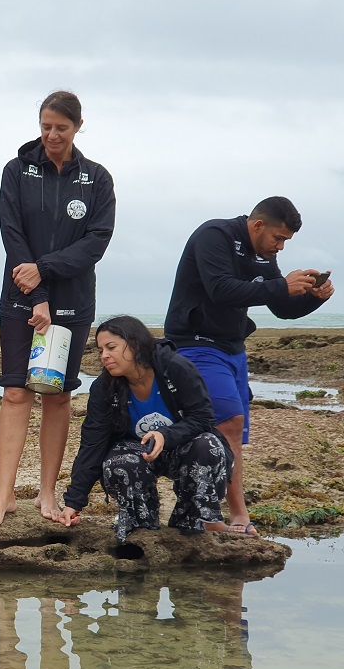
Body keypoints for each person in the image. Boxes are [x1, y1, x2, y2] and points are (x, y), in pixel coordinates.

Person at [0, 91, 116, 531]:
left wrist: (45, 270)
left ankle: (47, 491)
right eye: (45, 126)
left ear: (78, 126)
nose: (52, 134)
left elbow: (96, 241)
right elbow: (11, 231)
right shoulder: (17, 170)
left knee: (57, 395)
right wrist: (32, 285)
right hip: (21, 295)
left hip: (73, 300)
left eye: (61, 127)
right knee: (17, 391)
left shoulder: (97, 179)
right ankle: (3, 497)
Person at [163, 196, 334, 536]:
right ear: (258, 225)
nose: (281, 247)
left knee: (233, 433)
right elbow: (220, 289)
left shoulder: (263, 255)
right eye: (278, 238)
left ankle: (231, 513)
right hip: (195, 344)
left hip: (232, 349)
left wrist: (311, 299)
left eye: (286, 241)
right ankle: (228, 516)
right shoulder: (214, 235)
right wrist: (280, 285)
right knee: (229, 423)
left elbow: (281, 307)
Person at [56, 316, 231, 541]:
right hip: (137, 452)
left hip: (182, 449)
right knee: (118, 462)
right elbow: (93, 444)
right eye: (100, 350)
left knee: (209, 444)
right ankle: (142, 525)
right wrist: (74, 502)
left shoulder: (176, 368)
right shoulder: (104, 388)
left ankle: (190, 521)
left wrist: (165, 436)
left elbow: (203, 418)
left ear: (136, 344)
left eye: (111, 347)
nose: (104, 356)